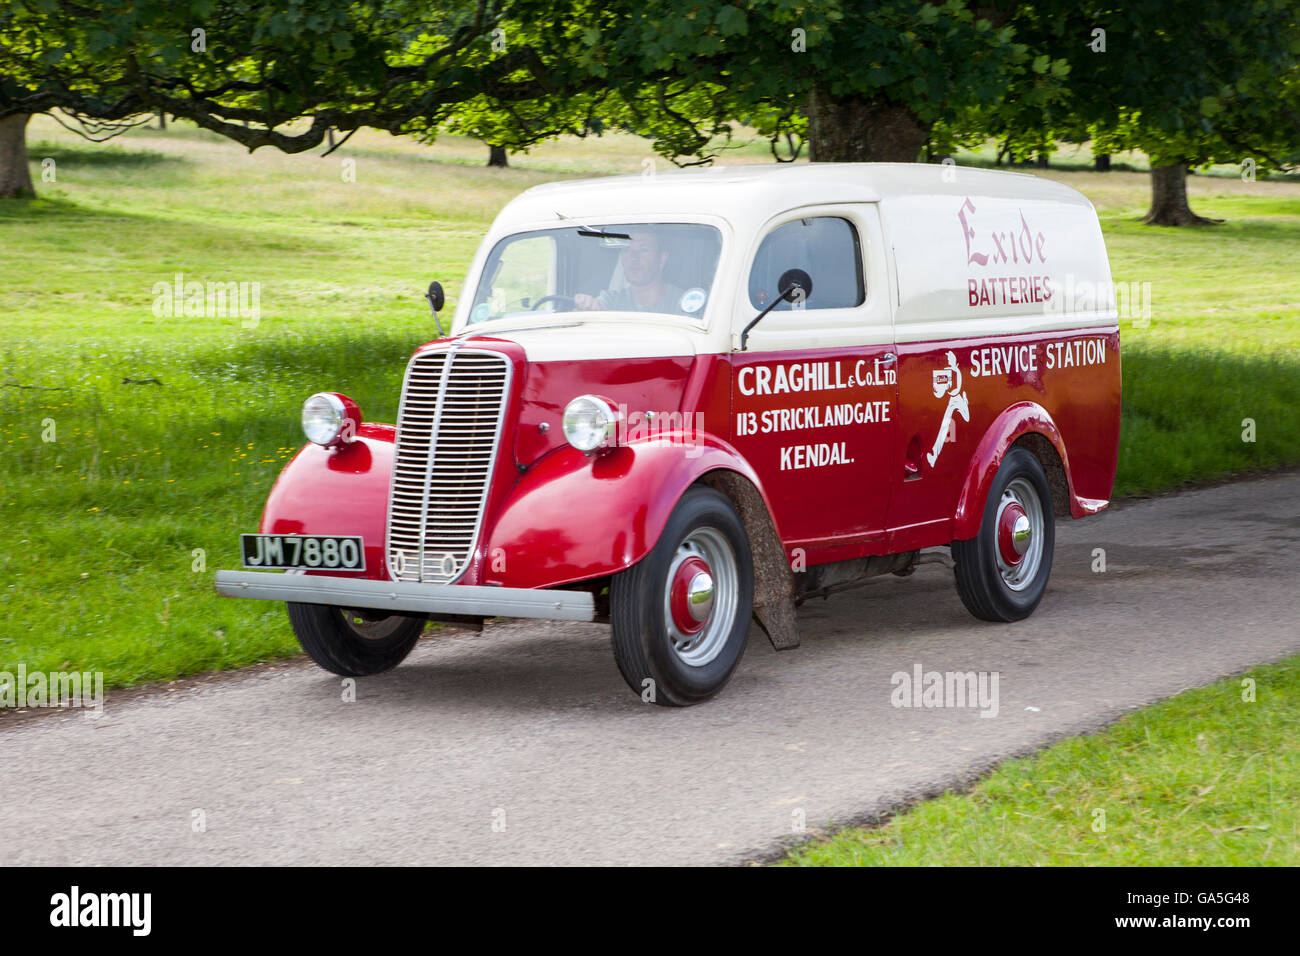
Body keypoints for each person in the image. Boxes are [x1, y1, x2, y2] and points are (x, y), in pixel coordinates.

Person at [574, 230, 684, 314]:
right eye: (626, 250)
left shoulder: (681, 303)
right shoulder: (611, 300)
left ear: (662, 259)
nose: (633, 257)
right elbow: (596, 309)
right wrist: (587, 307)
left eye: (643, 249)